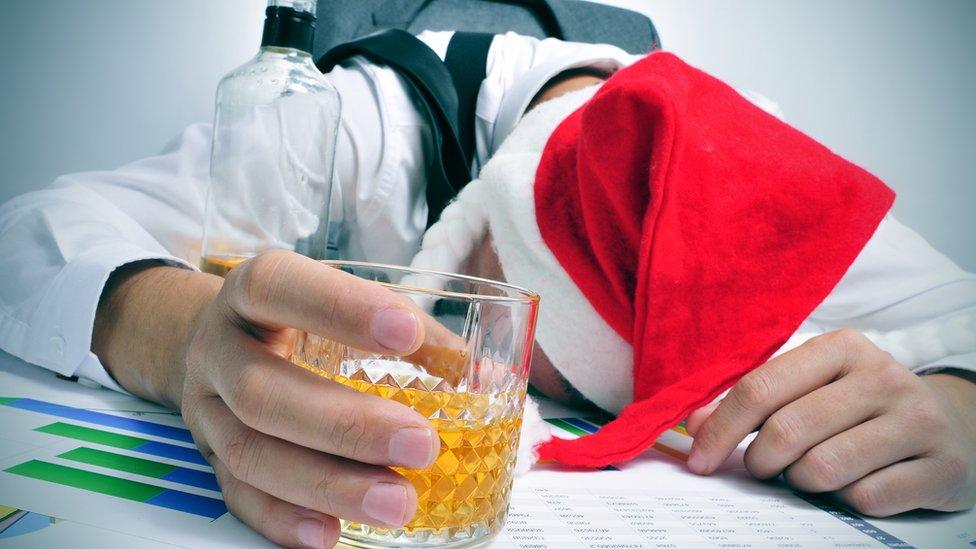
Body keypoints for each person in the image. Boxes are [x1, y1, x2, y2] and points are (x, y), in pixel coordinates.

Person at [0, 30, 972, 549]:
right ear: (476, 229)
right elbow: (30, 233)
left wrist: (963, 413)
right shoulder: (353, 126)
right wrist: (186, 342)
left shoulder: (757, 176)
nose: (525, 395)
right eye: (525, 349)